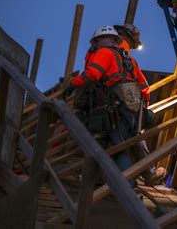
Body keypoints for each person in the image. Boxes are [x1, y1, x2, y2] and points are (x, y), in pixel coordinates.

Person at [63, 25, 163, 186]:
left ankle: (127, 186)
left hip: (114, 106)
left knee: (117, 146)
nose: (95, 44)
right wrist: (140, 108)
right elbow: (144, 86)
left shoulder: (104, 52)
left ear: (102, 39)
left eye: (97, 41)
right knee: (126, 141)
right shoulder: (128, 58)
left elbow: (93, 74)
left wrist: (72, 85)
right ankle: (133, 178)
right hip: (132, 107)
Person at [113, 23, 167, 186]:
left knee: (115, 143)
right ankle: (147, 174)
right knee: (135, 138)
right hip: (123, 108)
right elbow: (144, 87)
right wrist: (143, 108)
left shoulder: (100, 52)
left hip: (104, 107)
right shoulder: (125, 56)